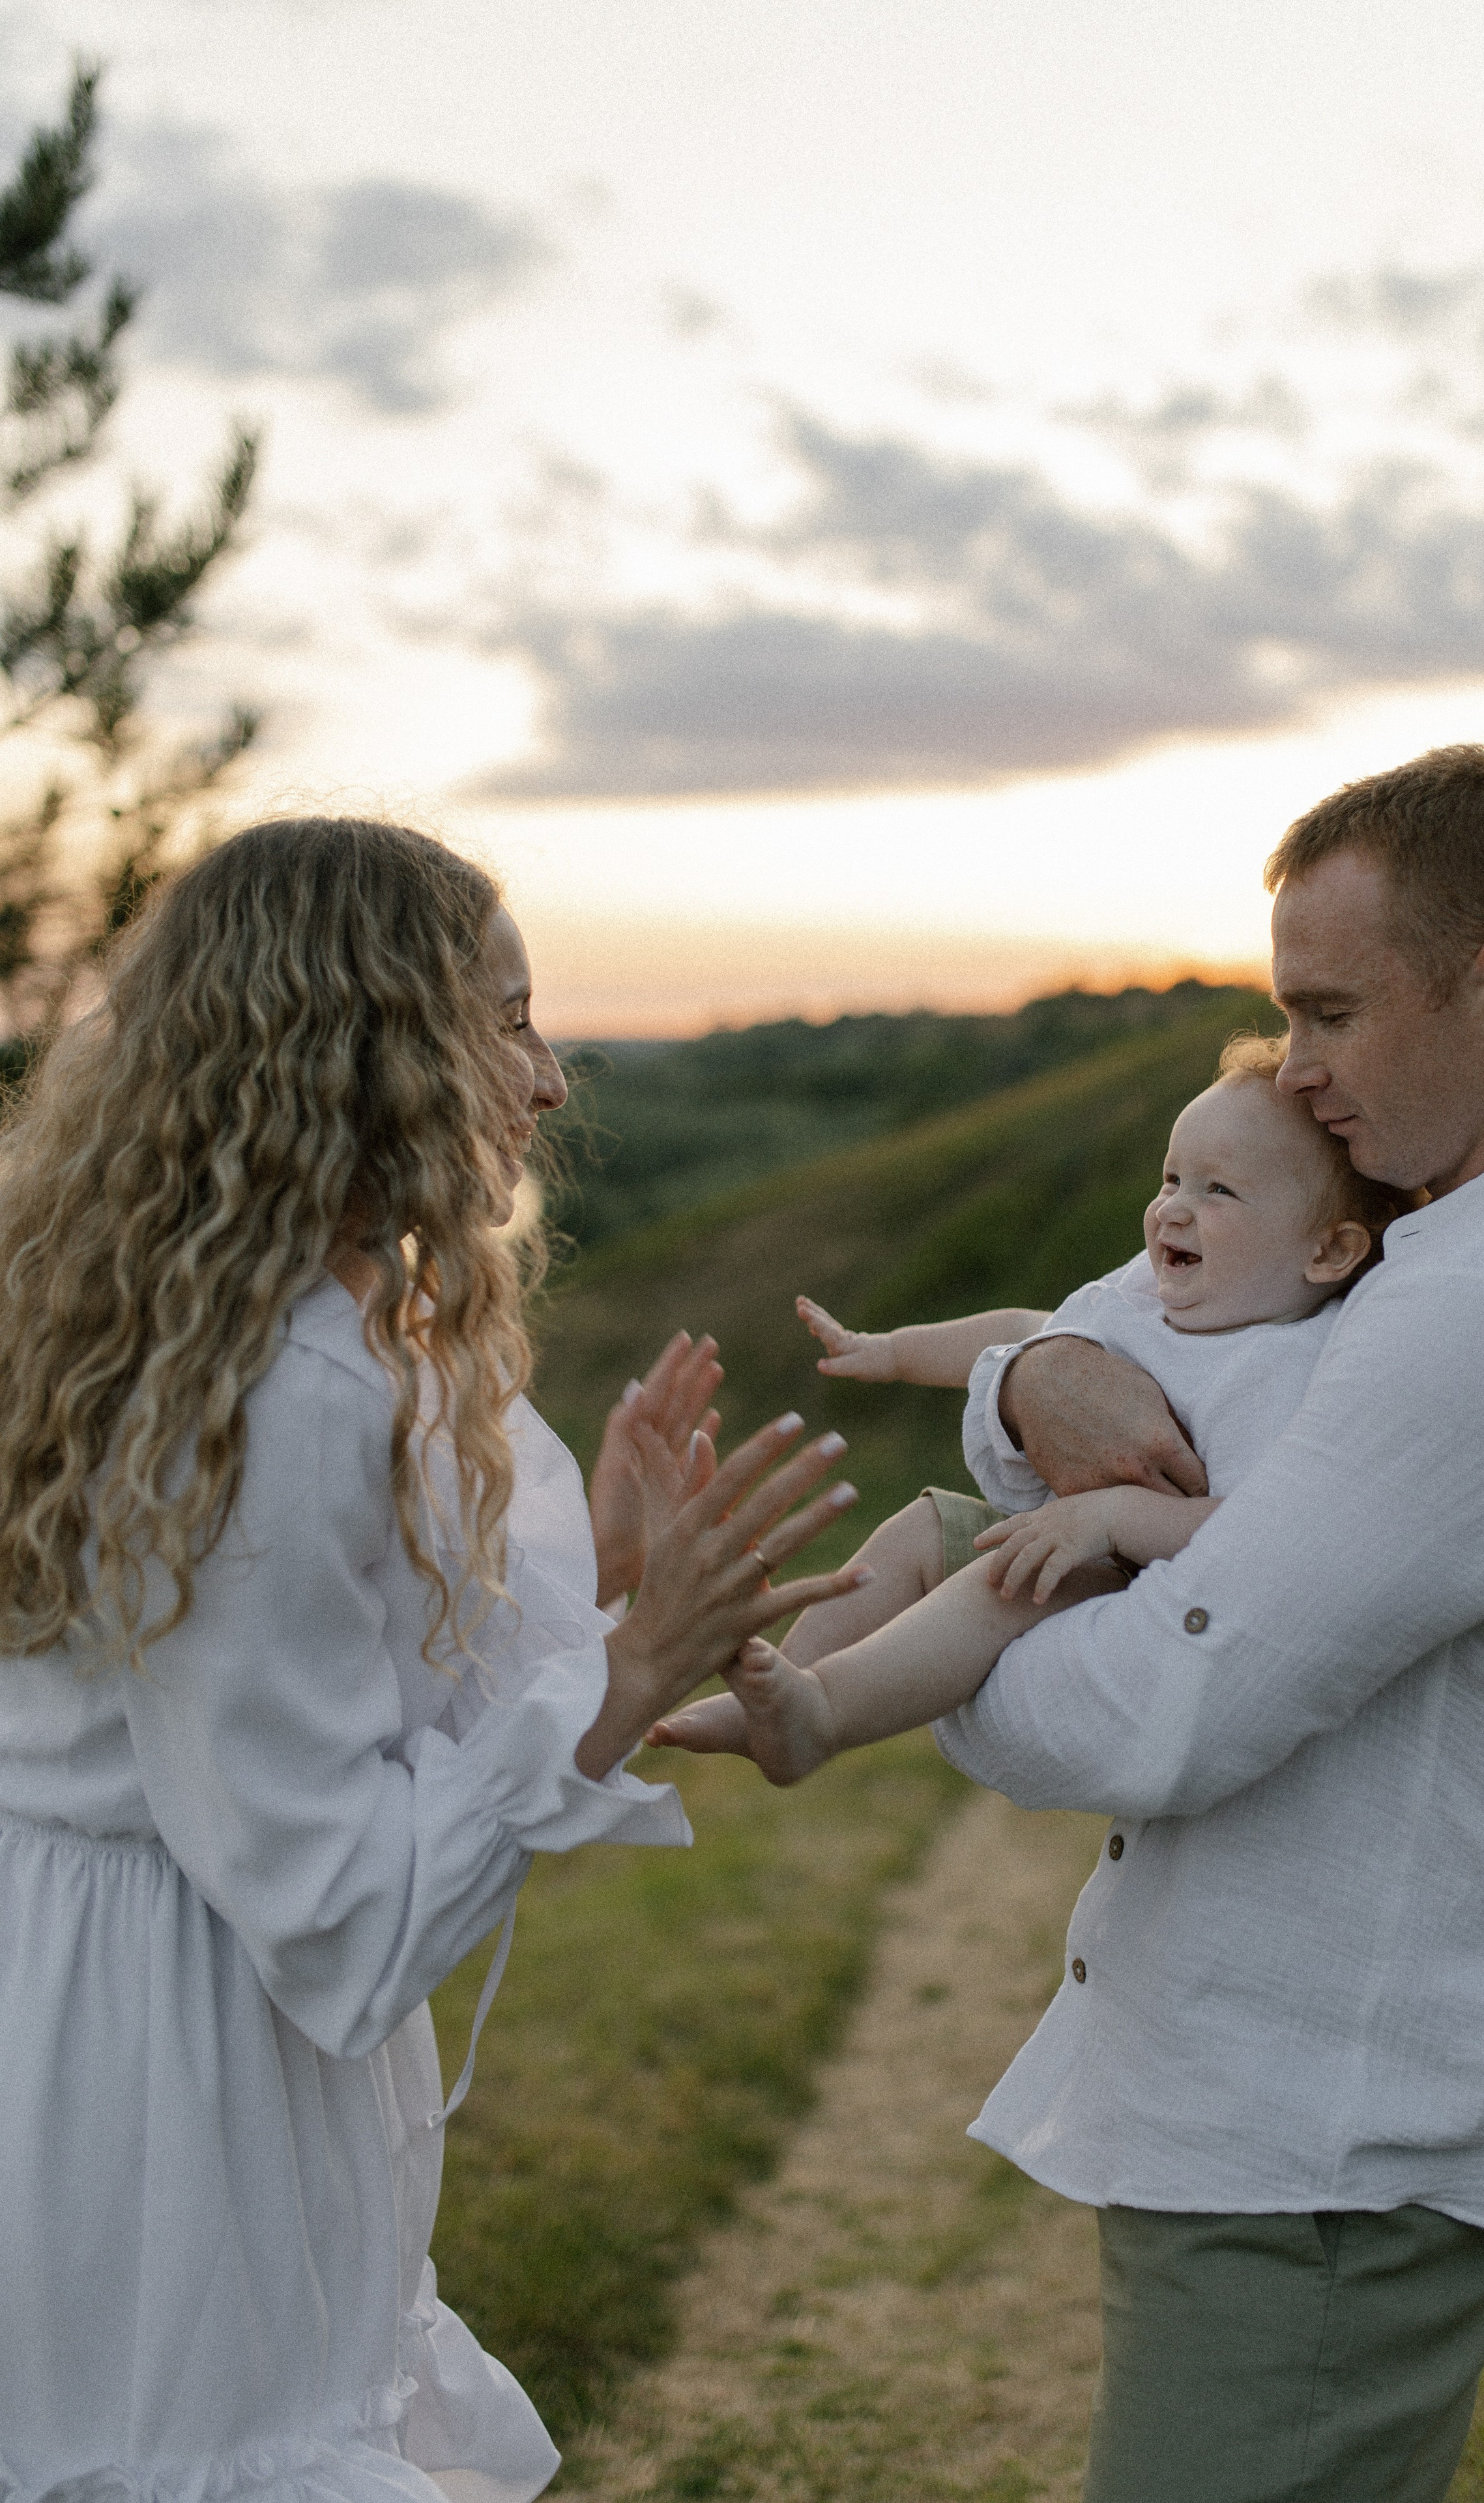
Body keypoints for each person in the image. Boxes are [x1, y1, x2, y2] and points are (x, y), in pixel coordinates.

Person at [682, 744, 1484, 2503]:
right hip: (1285, 2141)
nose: (1293, 1068)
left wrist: (953, 1633)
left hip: (1323, 2173)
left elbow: (1159, 1709)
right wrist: (1033, 1377)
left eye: (1328, 1012)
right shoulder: (1425, 1237)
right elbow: (1119, 1351)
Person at [0, 817, 866, 2502]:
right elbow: (341, 1915)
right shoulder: (278, 1388)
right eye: (508, 1023)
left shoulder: (203, 1322)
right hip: (169, 2081)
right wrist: (633, 1671)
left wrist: (602, 1567)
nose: (548, 1081)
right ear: (363, 1048)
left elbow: (330, 1687)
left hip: (108, 1997)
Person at [651, 1034, 1414, 1780]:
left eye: (1219, 1191)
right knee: (924, 1528)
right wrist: (891, 1350)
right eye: (1171, 1179)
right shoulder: (1150, 1298)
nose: (1173, 1211)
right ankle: (783, 1690)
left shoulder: (1283, 1370)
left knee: (1000, 1582)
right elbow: (1029, 1330)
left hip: (1135, 1587)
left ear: (1327, 1251)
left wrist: (1112, 1517)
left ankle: (823, 1715)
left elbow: (1257, 1534)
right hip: (1066, 1541)